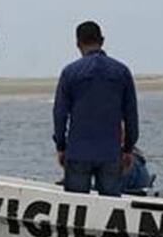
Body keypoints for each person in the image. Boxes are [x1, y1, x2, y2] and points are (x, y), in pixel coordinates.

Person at [53, 21, 139, 196]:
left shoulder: (70, 72)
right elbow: (131, 115)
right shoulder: (121, 72)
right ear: (102, 40)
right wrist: (128, 148)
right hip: (111, 153)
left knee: (76, 208)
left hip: (78, 151)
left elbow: (59, 114)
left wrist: (61, 146)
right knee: (111, 211)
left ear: (78, 43)